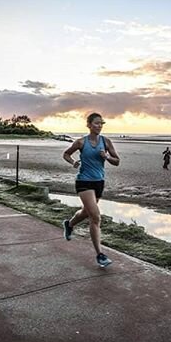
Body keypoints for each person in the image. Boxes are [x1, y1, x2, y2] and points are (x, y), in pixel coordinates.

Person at [62, 112, 120, 268]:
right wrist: (73, 162)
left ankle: (70, 224)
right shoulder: (81, 142)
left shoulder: (106, 142)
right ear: (89, 125)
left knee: (86, 212)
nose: (99, 126)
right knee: (95, 217)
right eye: (96, 123)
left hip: (99, 182)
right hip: (84, 182)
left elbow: (117, 161)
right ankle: (100, 255)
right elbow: (66, 154)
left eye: (101, 123)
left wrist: (107, 157)